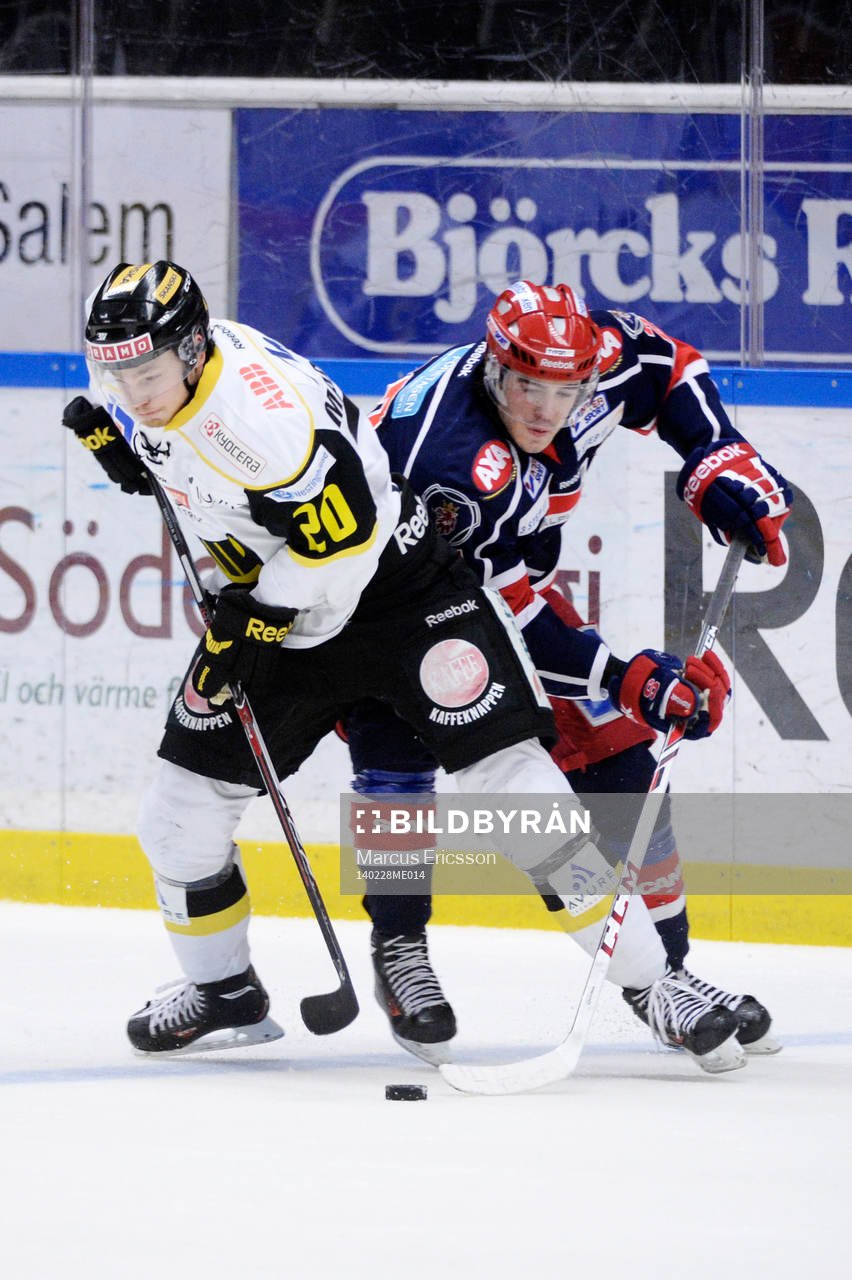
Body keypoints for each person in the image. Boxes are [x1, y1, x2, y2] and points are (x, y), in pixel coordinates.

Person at [62, 261, 744, 1074]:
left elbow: (341, 542)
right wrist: (156, 466)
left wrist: (254, 616)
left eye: (144, 373)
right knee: (177, 814)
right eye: (117, 373)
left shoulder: (260, 421)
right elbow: (210, 468)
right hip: (289, 606)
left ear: (191, 347)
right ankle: (226, 992)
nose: (133, 394)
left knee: (518, 786)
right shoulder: (178, 380)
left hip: (397, 592)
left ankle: (653, 984)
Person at [343, 279, 792, 1064]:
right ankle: (399, 947)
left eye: (566, 389)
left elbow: (664, 364)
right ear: (493, 368)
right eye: (526, 386)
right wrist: (629, 677)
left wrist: (717, 451)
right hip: (381, 603)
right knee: (397, 757)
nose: (546, 409)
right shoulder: (452, 462)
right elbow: (505, 612)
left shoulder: (584, 360)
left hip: (495, 586)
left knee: (617, 753)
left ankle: (668, 980)